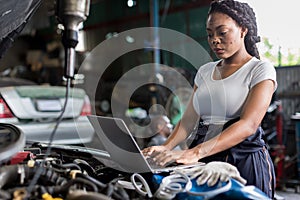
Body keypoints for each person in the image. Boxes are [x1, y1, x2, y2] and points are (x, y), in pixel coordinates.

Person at [142, 0, 277, 198]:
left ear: (243, 30)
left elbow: (248, 124)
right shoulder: (205, 71)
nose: (215, 40)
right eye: (210, 34)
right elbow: (188, 121)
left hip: (243, 160)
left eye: (222, 32)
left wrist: (193, 153)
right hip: (205, 159)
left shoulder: (260, 70)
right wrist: (164, 147)